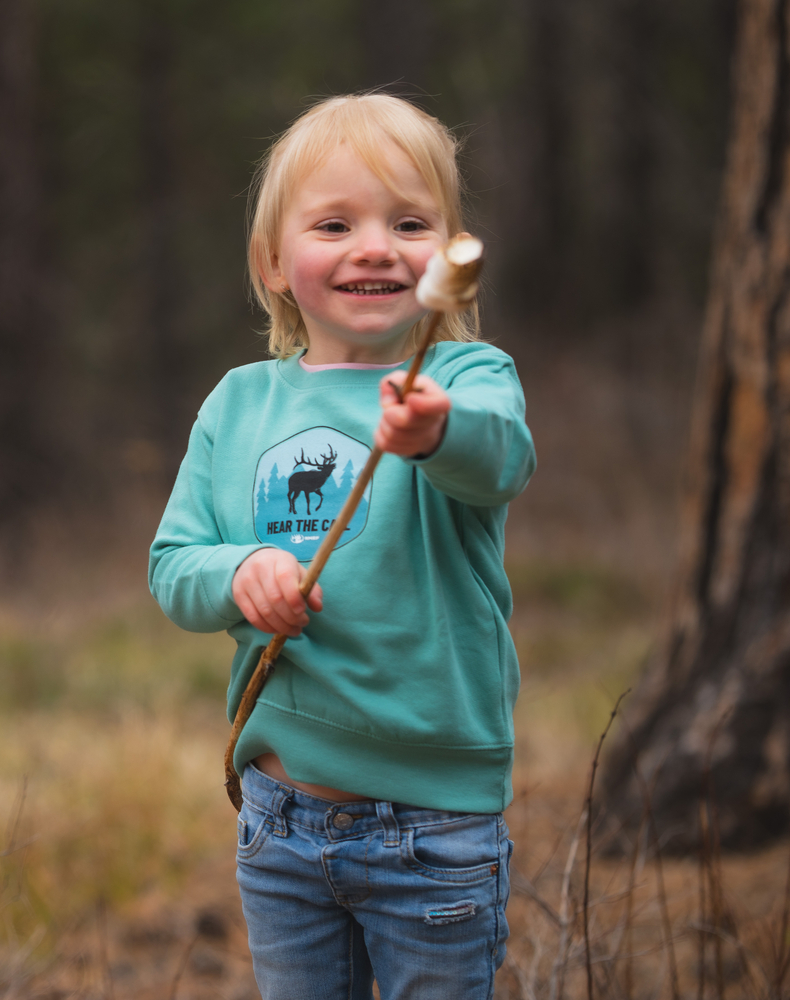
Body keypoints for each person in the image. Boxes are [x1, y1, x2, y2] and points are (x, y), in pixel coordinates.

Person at [149, 93, 536, 1000]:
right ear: (274, 264)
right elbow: (174, 564)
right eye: (335, 224)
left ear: (448, 258)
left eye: (409, 222)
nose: (375, 246)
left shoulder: (461, 380)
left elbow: (500, 461)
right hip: (283, 821)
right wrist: (240, 572)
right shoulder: (239, 403)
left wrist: (436, 432)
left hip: (434, 830)